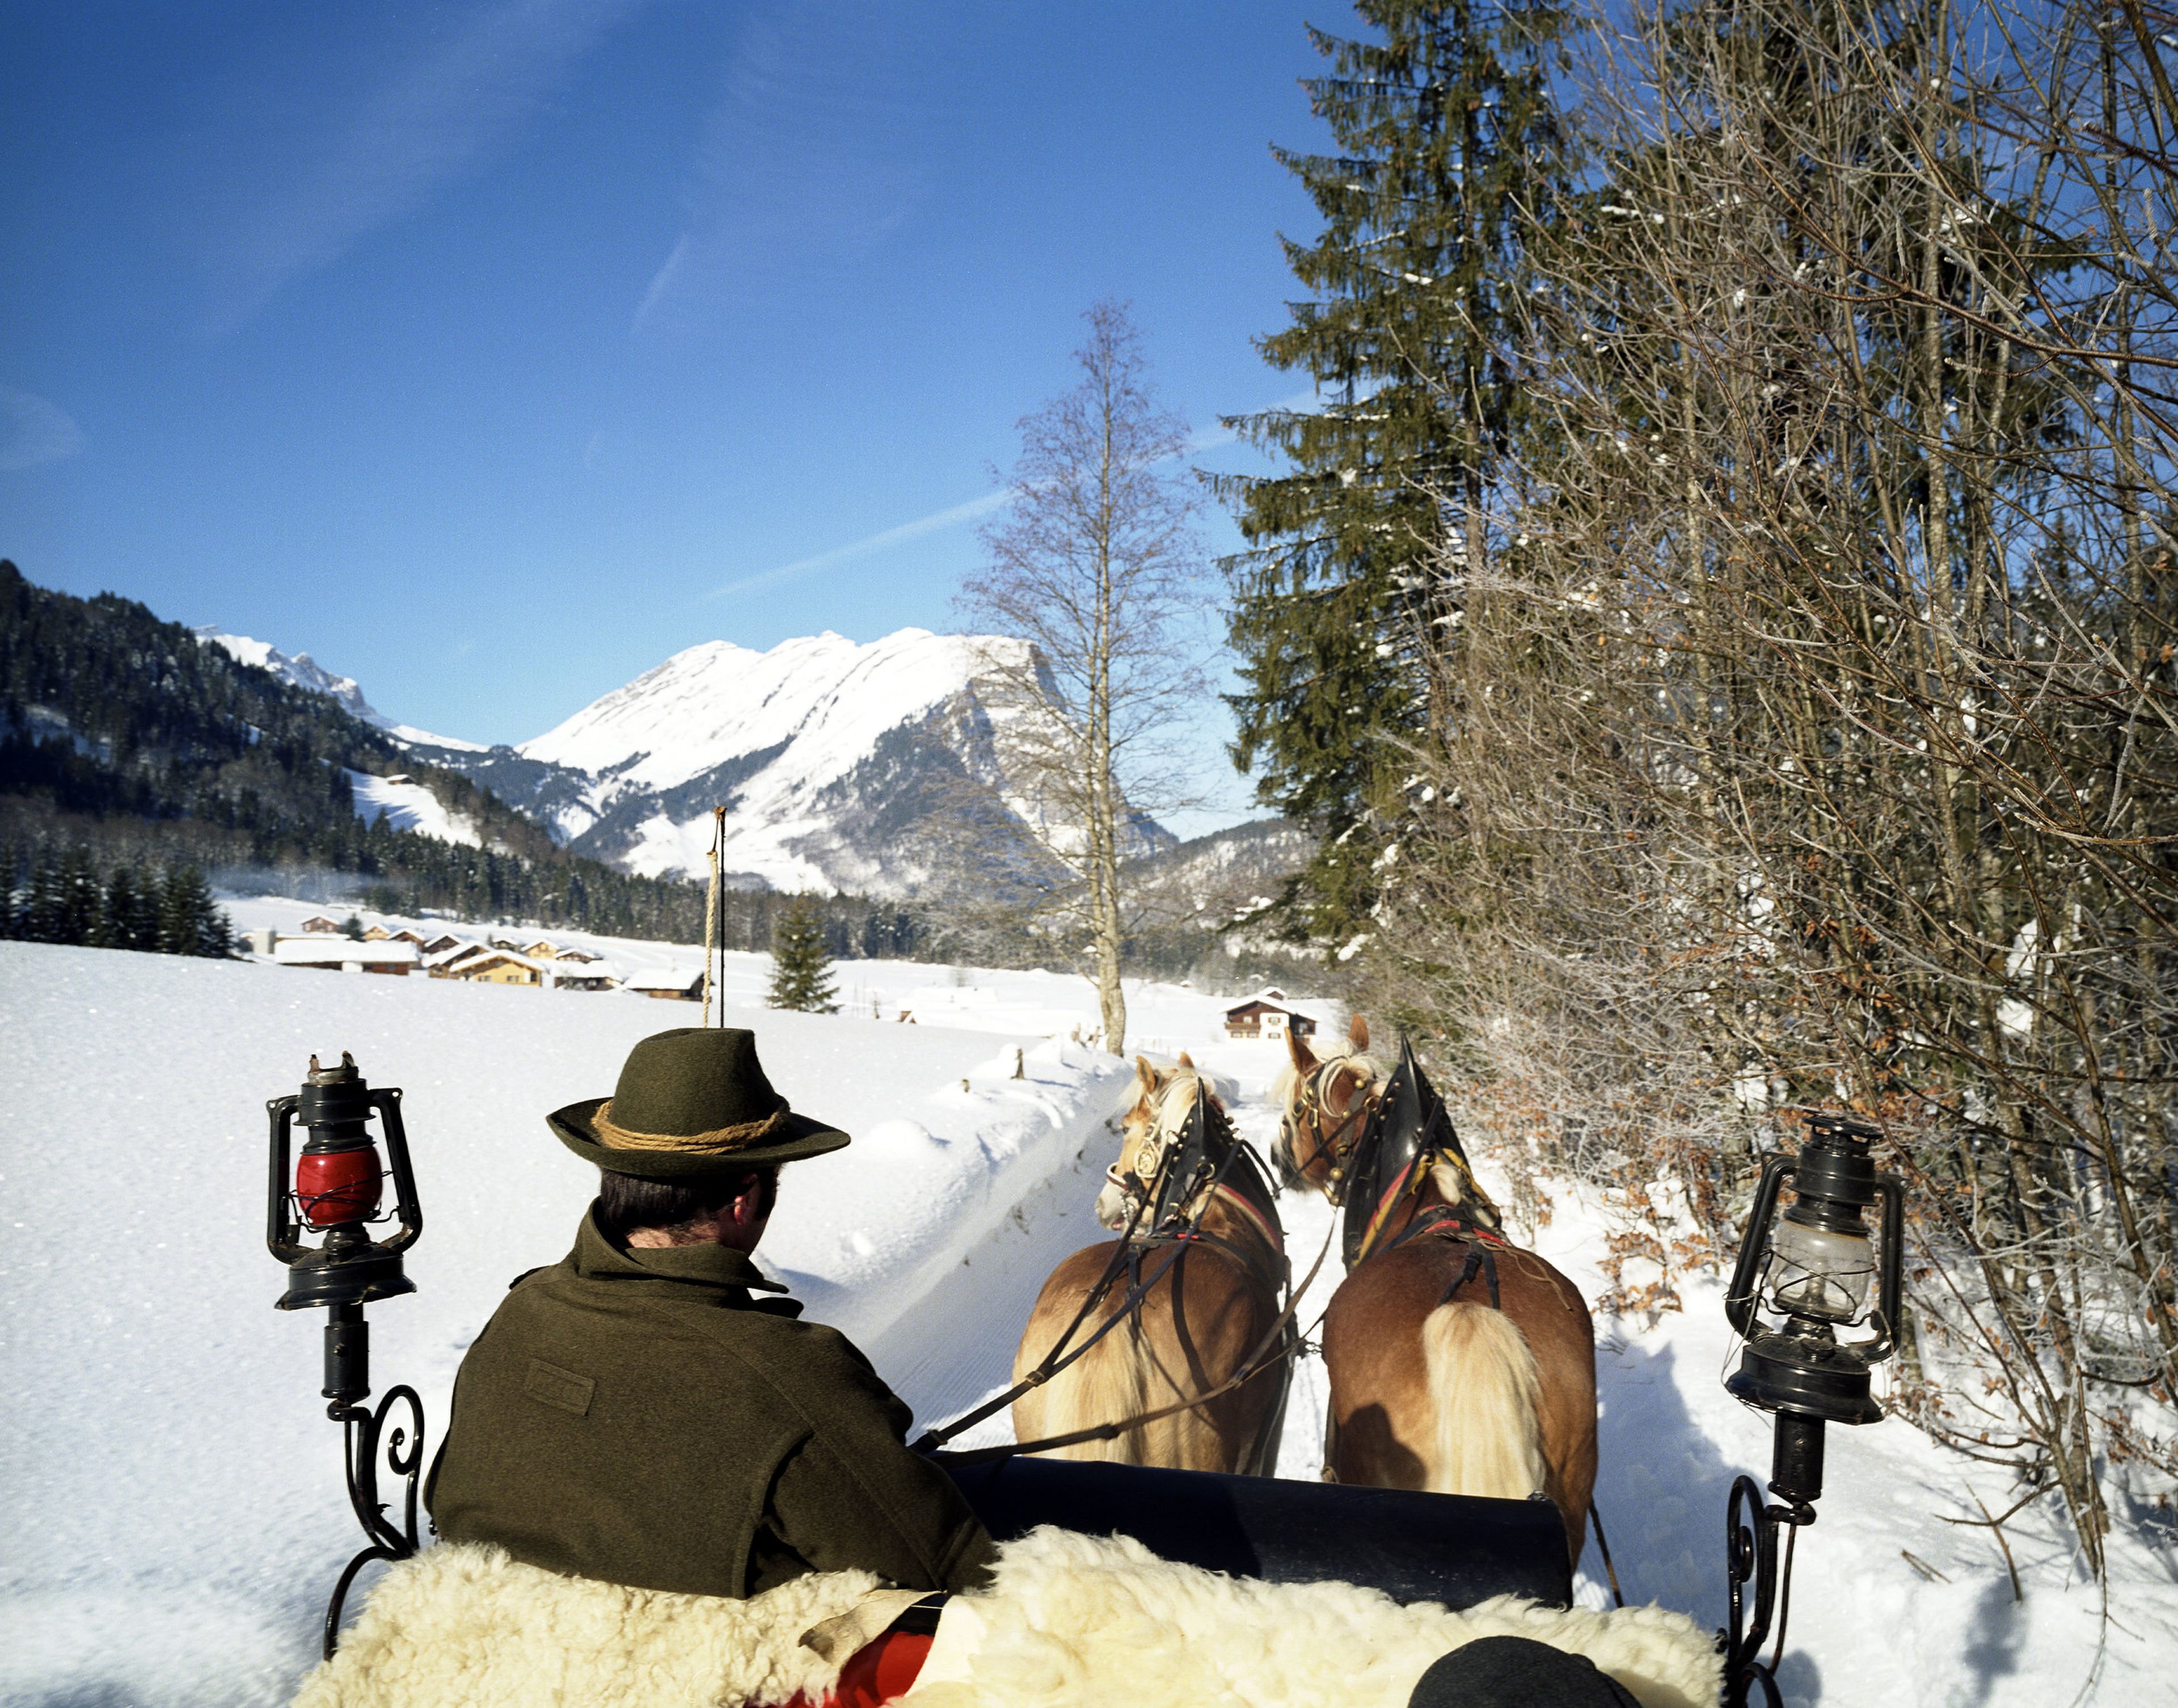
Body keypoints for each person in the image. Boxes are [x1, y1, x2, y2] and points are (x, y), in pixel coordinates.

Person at [424, 1026, 997, 1601]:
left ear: (619, 1174)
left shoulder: (522, 1308)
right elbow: (953, 1570)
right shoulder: (792, 1374)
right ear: (744, 1197)